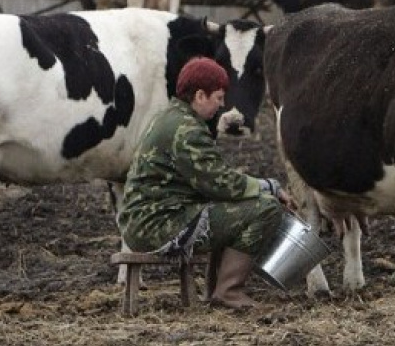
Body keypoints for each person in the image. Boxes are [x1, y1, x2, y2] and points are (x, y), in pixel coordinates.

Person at [117, 56, 296, 309]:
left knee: (233, 209)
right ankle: (229, 290)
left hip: (144, 220)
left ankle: (215, 289)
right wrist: (270, 187)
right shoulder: (186, 129)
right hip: (158, 225)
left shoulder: (169, 116)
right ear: (200, 95)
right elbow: (221, 183)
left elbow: (212, 180)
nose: (221, 106)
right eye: (219, 98)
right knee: (265, 208)